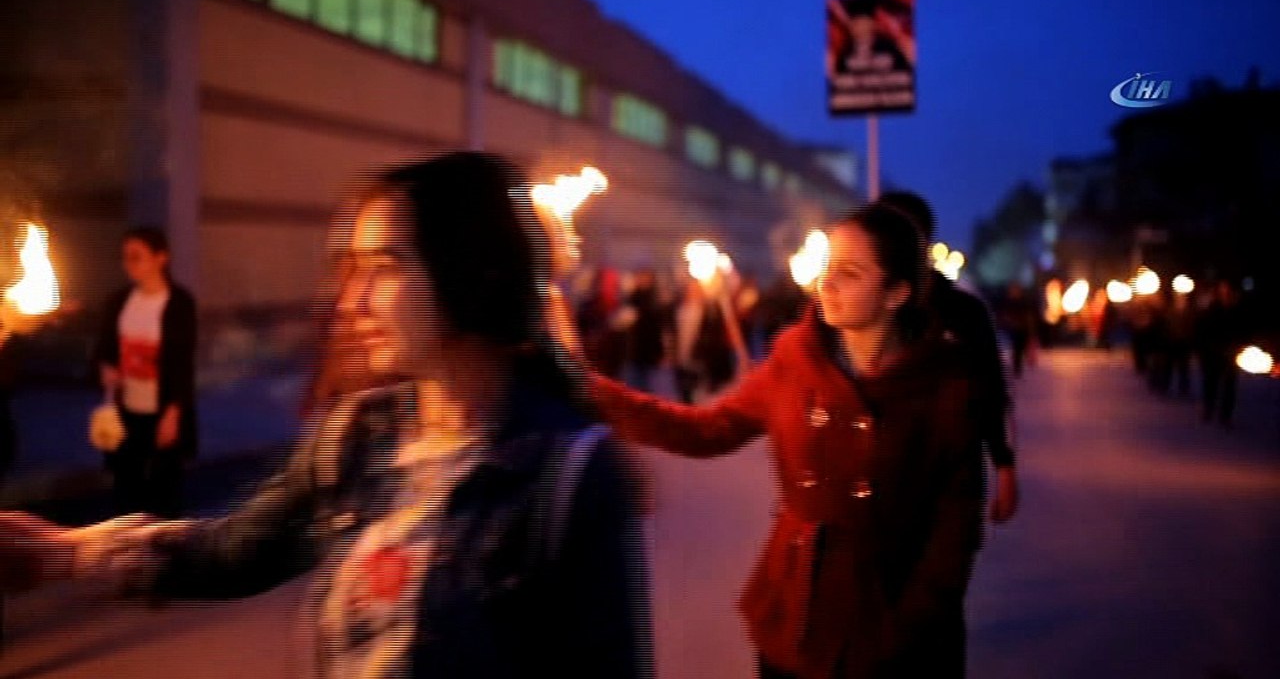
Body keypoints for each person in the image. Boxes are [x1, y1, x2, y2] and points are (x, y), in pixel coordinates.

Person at [0, 152, 653, 678]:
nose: (351, 300)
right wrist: (66, 554)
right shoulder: (360, 435)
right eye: (351, 270)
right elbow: (235, 551)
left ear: (465, 274)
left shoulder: (568, 472)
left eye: (383, 268)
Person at [573, 203, 985, 678]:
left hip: (891, 620)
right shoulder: (795, 360)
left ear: (896, 293)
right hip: (799, 612)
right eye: (829, 268)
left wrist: (911, 621)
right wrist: (592, 391)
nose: (827, 284)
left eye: (850, 274)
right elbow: (707, 430)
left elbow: (956, 526)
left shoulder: (944, 385)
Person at [877, 190, 1019, 524]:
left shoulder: (963, 312)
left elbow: (991, 390)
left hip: (951, 483)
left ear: (923, 241)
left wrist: (1005, 466)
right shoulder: (864, 311)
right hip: (874, 485)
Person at [93, 227, 197, 519]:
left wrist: (173, 414)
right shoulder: (119, 301)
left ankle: (165, 543)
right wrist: (106, 368)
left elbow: (182, 363)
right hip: (126, 408)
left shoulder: (178, 303)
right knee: (126, 487)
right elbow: (105, 347)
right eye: (125, 257)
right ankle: (125, 541)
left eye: (136, 257)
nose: (129, 264)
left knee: (164, 490)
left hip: (161, 410)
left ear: (161, 258)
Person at [1194, 280, 1247, 428]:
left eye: (1228, 291)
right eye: (1223, 291)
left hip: (1231, 354)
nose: (1226, 294)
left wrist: (1239, 347)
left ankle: (1226, 415)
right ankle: (1209, 408)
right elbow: (1202, 331)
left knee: (1229, 385)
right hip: (1212, 353)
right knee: (1211, 383)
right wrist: (1204, 350)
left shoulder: (1237, 311)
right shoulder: (1212, 310)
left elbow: (1243, 331)